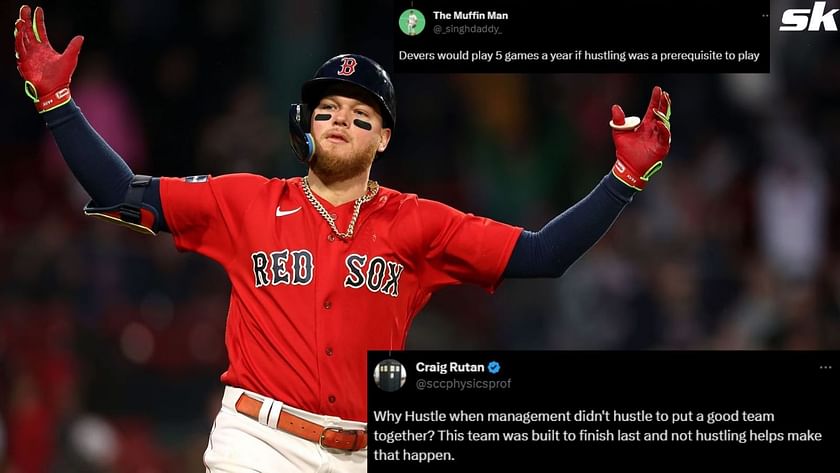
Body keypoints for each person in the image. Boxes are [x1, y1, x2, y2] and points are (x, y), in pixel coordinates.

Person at [13, 5, 671, 472]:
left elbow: (543, 254)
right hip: (258, 444)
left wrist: (622, 179)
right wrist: (58, 106)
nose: (338, 121)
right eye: (326, 108)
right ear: (307, 126)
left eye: (359, 114)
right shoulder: (243, 199)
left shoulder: (419, 222)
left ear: (383, 137)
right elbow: (125, 193)